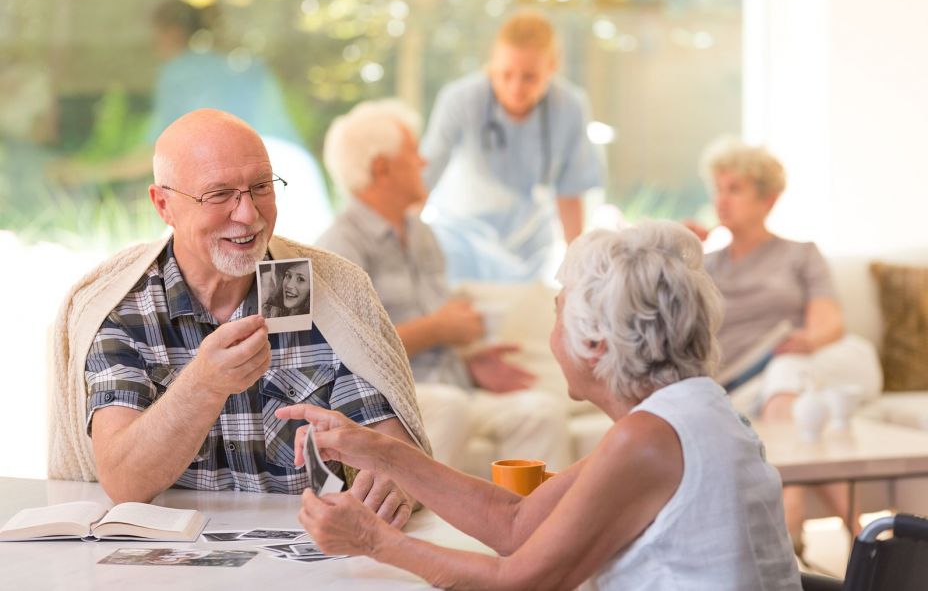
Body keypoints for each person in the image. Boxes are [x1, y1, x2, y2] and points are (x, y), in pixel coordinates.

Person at [278, 221, 801, 590]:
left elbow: (521, 582)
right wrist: (376, 449)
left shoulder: (649, 439)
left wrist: (372, 540)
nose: (549, 336)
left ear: (594, 344)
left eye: (556, 315)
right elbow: (516, 522)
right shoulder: (685, 412)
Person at [48, 109, 430, 531]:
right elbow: (124, 482)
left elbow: (397, 451)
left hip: (309, 556)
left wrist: (393, 480)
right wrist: (203, 385)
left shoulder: (323, 291)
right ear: (163, 205)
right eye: (219, 194)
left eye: (261, 187)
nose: (248, 215)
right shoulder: (123, 306)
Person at [316, 99, 571, 472]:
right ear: (381, 168)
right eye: (413, 153)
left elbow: (441, 328)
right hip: (393, 402)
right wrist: (437, 329)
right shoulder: (339, 245)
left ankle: (539, 528)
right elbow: (347, 355)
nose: (423, 162)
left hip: (453, 388)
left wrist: (469, 362)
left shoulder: (422, 234)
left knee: (540, 411)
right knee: (450, 406)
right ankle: (423, 528)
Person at [686, 137, 883, 552]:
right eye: (718, 189)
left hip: (808, 362)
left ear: (768, 200)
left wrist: (807, 339)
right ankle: (864, 536)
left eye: (735, 189)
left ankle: (790, 519)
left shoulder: (799, 254)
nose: (722, 200)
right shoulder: (705, 265)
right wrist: (682, 255)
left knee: (786, 373)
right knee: (800, 403)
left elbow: (829, 322)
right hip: (743, 384)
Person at [50, 0, 332, 244]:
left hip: (247, 178)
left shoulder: (179, 73)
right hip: (295, 174)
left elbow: (156, 155)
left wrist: (83, 173)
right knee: (295, 287)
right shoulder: (242, 65)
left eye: (153, 37)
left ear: (170, 33)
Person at [420, 9, 605, 282]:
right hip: (460, 240)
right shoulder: (460, 100)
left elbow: (569, 193)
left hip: (529, 248)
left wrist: (578, 272)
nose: (516, 86)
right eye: (505, 74)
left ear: (551, 67)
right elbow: (423, 179)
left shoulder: (570, 107)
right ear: (492, 64)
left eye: (529, 77)